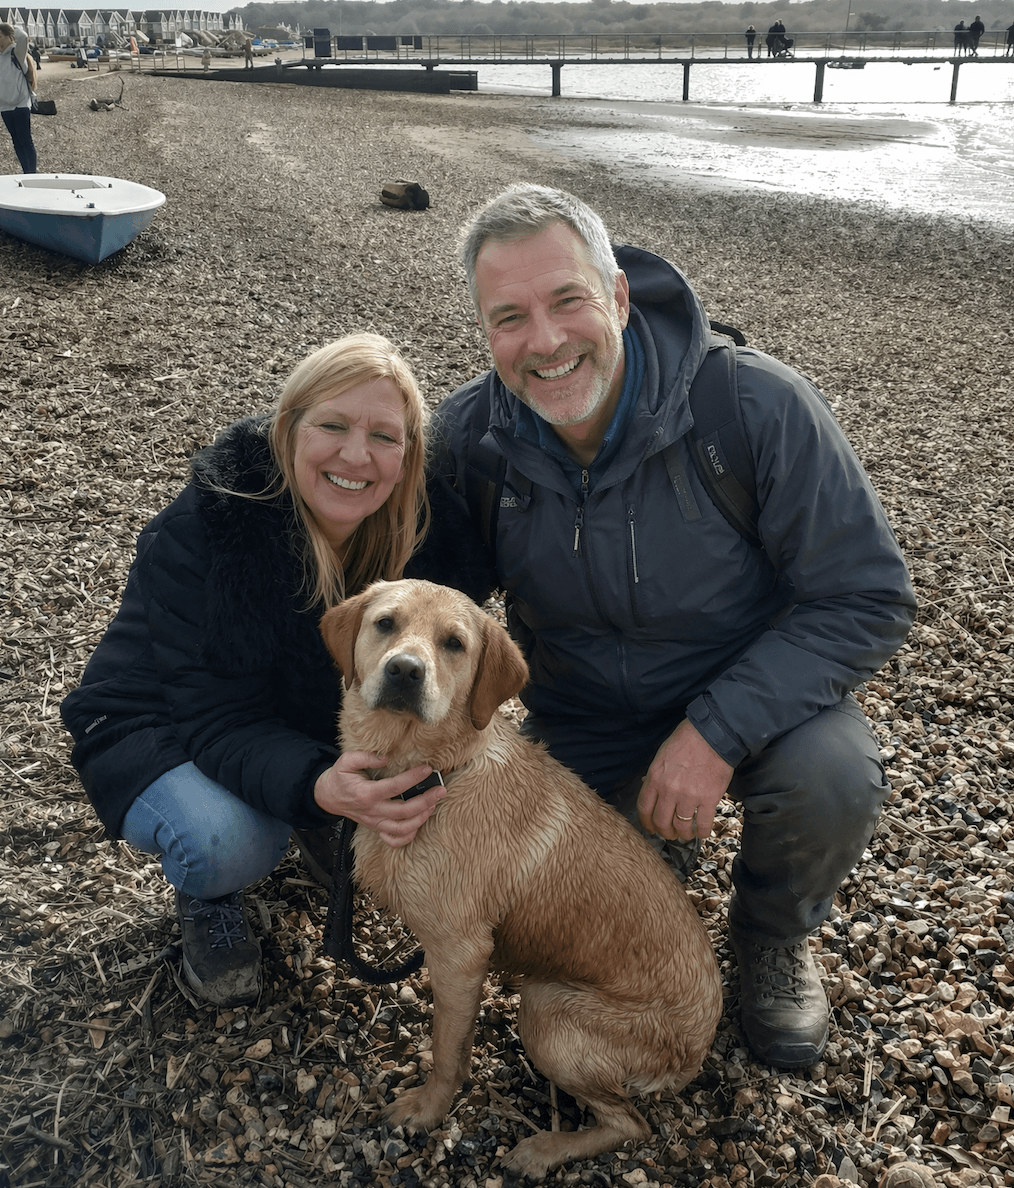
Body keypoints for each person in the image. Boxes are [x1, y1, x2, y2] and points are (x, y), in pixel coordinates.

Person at [432, 185, 916, 1070]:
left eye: (568, 300)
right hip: (582, 716)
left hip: (749, 693)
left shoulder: (751, 407)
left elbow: (865, 595)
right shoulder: (472, 439)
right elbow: (424, 607)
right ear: (484, 330)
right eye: (510, 318)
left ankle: (771, 936)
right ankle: (648, 851)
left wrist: (715, 731)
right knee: (527, 909)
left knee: (833, 778)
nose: (545, 341)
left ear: (617, 295)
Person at [60, 333, 496, 1008]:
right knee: (232, 840)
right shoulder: (215, 526)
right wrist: (318, 783)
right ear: (287, 427)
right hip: (159, 719)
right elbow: (217, 715)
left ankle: (310, 805)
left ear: (410, 455)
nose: (357, 456)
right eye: (333, 425)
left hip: (280, 718)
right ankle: (210, 891)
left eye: (384, 436)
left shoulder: (433, 540)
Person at [0, 24, 37, 175]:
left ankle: (31, 175)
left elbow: (22, 36)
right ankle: (25, 171)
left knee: (25, 140)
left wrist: (10, 26)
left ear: (9, 36)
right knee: (16, 141)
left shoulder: (17, 53)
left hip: (21, 103)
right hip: (4, 106)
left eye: (0, 37)